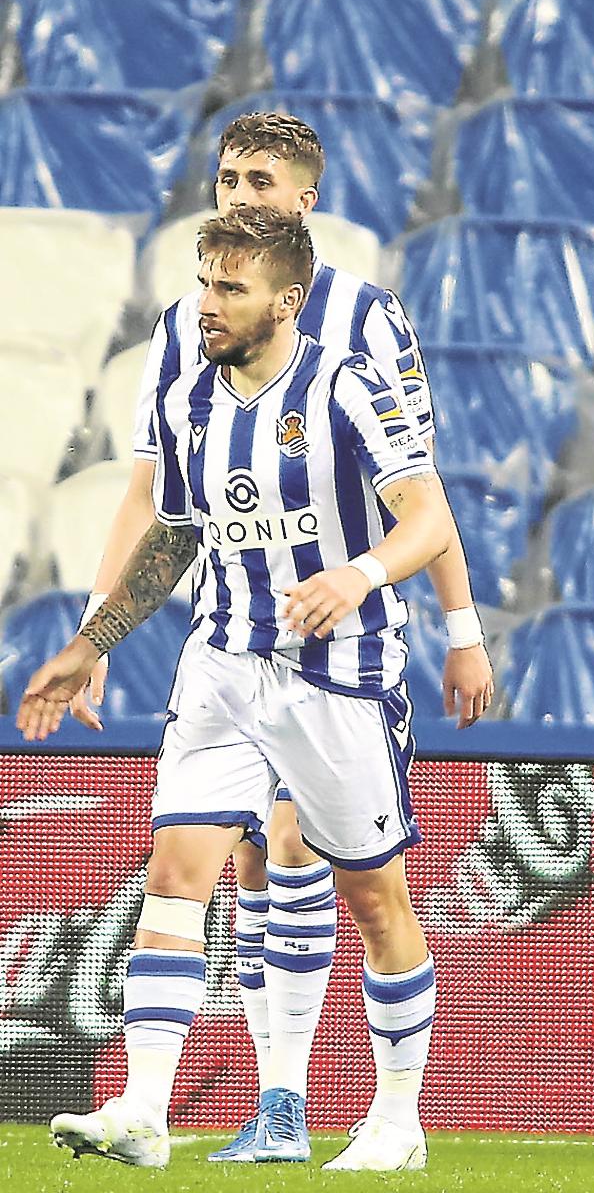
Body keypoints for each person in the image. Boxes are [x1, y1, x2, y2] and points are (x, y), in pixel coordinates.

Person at [71, 111, 493, 1164]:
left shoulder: (364, 326)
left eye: (261, 178)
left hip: (341, 655)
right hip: (226, 647)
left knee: (336, 870)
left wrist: (460, 624)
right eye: (227, 175)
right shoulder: (186, 327)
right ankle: (177, 1107)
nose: (242, 192)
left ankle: (380, 1113)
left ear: (307, 198)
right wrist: (98, 629)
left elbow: (422, 498)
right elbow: (154, 502)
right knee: (198, 863)